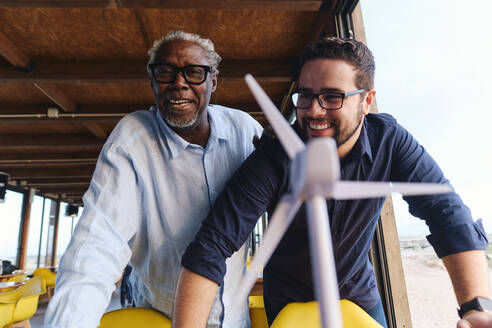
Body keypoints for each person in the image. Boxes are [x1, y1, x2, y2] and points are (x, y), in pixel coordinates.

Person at [173, 37, 492, 328]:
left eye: (332, 97)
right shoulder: (273, 157)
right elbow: (212, 245)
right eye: (306, 96)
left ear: (367, 101)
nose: (313, 111)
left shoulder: (389, 141)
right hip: (289, 308)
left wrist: (476, 306)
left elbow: (446, 213)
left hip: (361, 301)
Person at [43, 30, 262, 328]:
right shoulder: (132, 141)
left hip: (234, 319)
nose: (179, 83)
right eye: (165, 73)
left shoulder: (244, 131)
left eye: (194, 73)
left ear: (213, 80)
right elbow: (96, 246)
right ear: (152, 81)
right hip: (158, 315)